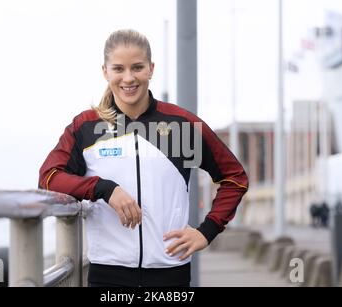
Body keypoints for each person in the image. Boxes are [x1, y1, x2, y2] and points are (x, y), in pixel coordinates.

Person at [39, 29, 249, 287]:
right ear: (105, 72)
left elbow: (234, 178)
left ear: (151, 69)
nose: (128, 78)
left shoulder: (182, 124)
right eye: (118, 69)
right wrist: (103, 188)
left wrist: (207, 231)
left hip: (170, 274)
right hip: (107, 276)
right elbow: (48, 178)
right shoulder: (86, 126)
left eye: (137, 67)